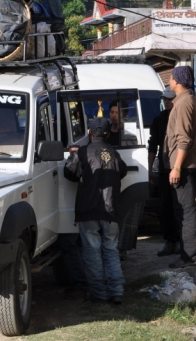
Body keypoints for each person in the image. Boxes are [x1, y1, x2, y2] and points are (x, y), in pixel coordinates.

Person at [64, 117, 128, 304]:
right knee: (111, 251)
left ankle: (99, 293)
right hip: (111, 211)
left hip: (89, 210)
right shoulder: (115, 154)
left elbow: (69, 174)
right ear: (108, 134)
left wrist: (72, 156)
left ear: (90, 133)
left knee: (92, 252)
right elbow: (122, 172)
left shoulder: (83, 152)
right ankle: (117, 292)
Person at [166, 66, 196, 268]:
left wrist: (177, 167)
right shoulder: (190, 100)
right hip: (189, 164)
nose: (169, 81)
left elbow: (184, 139)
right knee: (183, 211)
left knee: (186, 211)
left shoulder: (184, 103)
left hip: (185, 166)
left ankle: (191, 257)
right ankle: (186, 255)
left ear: (177, 81)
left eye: (171, 78)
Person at [148, 89, 180, 257]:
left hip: (179, 168)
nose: (167, 101)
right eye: (164, 99)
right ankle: (170, 241)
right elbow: (153, 144)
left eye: (169, 98)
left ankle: (182, 241)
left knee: (179, 206)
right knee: (165, 206)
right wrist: (149, 168)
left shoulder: (180, 117)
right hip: (163, 168)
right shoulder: (159, 119)